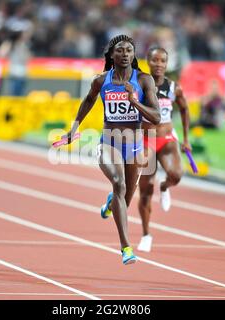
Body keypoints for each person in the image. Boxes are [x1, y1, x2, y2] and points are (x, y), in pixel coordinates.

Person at [62, 35, 160, 264]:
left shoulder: (144, 80)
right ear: (111, 55)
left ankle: (110, 202)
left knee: (123, 199)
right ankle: (126, 248)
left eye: (129, 50)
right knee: (119, 183)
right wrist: (73, 128)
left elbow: (155, 117)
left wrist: (135, 101)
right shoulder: (101, 81)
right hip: (109, 142)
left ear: (134, 55)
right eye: (120, 50)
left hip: (134, 145)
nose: (125, 54)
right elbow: (88, 101)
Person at [137, 47, 191, 252]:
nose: (159, 64)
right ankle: (146, 234)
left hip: (167, 139)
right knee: (145, 191)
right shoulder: (138, 86)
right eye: (155, 60)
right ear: (148, 62)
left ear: (167, 65)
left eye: (162, 61)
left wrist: (186, 138)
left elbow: (185, 109)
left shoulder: (173, 88)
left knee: (177, 174)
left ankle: (165, 187)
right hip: (146, 140)